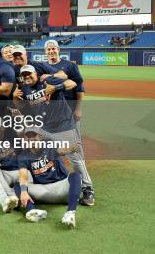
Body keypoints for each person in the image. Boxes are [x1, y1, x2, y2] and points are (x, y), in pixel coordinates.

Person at [12, 64, 94, 206]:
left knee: (75, 157)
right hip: (45, 128)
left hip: (64, 125)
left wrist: (56, 87)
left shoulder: (48, 81)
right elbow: (21, 107)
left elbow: (72, 83)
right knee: (33, 143)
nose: (27, 77)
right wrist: (15, 98)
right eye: (24, 75)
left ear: (36, 74)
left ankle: (88, 189)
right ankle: (36, 177)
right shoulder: (23, 89)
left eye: (29, 74)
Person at [41, 39, 92, 205]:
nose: (51, 51)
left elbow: (78, 86)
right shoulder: (41, 67)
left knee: (76, 151)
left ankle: (87, 188)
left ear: (58, 50)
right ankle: (57, 177)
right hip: (50, 116)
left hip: (69, 113)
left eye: (53, 49)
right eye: (48, 49)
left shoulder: (69, 66)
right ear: (45, 52)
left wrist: (78, 109)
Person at [13, 127, 82, 228]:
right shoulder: (23, 156)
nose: (31, 139)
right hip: (43, 190)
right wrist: (23, 191)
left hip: (61, 188)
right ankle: (32, 210)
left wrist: (73, 148)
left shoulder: (49, 146)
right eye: (28, 136)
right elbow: (23, 176)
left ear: (40, 137)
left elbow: (63, 150)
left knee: (75, 176)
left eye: (34, 136)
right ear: (25, 139)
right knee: (18, 185)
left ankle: (70, 213)